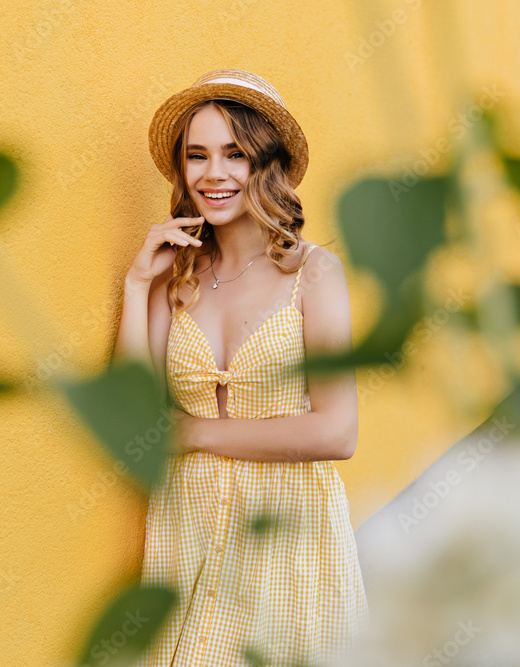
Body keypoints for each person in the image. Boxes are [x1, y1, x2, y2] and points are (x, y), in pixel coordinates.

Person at [113, 69, 368, 666]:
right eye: (196, 155)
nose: (213, 173)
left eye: (235, 154)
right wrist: (134, 285)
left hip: (287, 528)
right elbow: (130, 421)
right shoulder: (171, 277)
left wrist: (192, 432)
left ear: (266, 165)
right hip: (188, 527)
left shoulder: (314, 273)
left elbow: (337, 431)